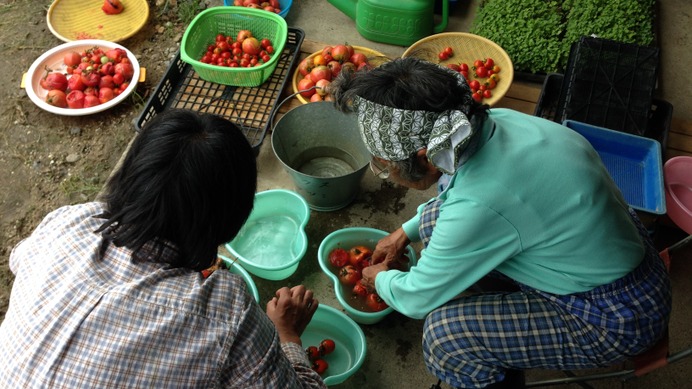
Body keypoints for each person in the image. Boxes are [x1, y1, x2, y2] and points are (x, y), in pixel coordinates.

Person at [330, 57, 672, 389]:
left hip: (615, 317)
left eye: (384, 165)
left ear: (426, 157)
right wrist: (405, 232)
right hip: (616, 257)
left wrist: (381, 278)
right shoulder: (497, 124)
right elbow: (463, 199)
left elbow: (416, 299)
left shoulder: (482, 201)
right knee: (435, 222)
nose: (387, 175)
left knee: (446, 335)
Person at [0, 109, 326, 388]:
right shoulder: (224, 309)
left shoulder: (69, 222)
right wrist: (287, 335)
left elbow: (20, 261)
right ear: (232, 220)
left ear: (130, 175)